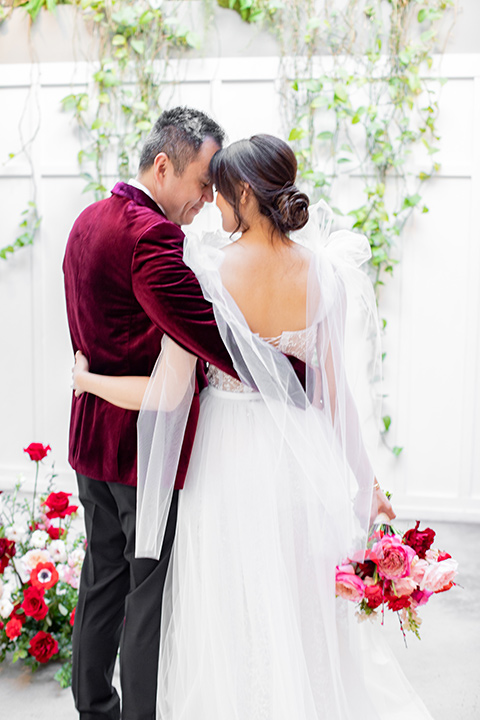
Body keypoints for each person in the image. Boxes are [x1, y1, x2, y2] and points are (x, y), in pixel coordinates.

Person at [72, 135, 432, 720]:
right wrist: (366, 487)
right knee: (299, 610)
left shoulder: (206, 268)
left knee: (227, 613)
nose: (212, 204)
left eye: (220, 193)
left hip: (224, 462)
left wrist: (89, 383)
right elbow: (335, 398)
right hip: (298, 461)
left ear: (243, 193)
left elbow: (173, 386)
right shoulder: (325, 273)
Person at [63, 106, 250, 720]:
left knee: (102, 581)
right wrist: (282, 368)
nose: (205, 199)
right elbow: (206, 336)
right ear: (163, 164)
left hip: (92, 440)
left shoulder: (86, 221)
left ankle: (94, 708)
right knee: (146, 598)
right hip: (144, 449)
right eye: (202, 182)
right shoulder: (153, 237)